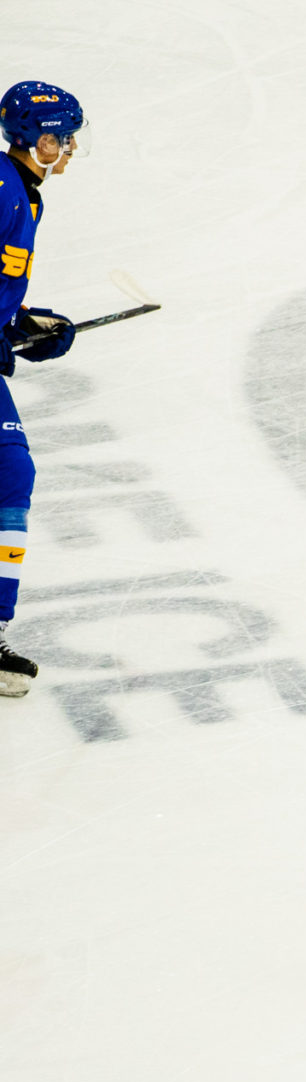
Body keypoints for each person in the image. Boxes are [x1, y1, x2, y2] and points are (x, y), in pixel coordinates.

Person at [0, 79, 86, 699]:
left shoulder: (20, 192)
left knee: (11, 474)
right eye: (64, 137)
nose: (72, 148)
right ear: (35, 138)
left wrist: (21, 320)